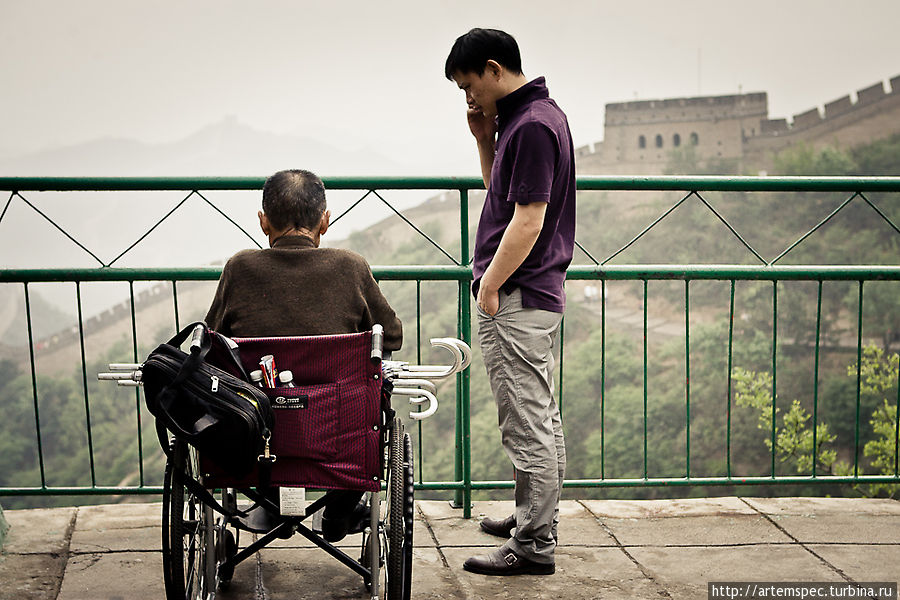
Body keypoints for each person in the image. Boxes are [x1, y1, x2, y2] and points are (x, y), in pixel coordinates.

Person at [205, 168, 402, 542]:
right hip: (337, 439)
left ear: (264, 223)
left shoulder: (239, 268)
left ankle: (267, 499)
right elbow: (390, 336)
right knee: (373, 401)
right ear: (325, 222)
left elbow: (214, 342)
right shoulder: (351, 267)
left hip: (254, 439)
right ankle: (340, 511)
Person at [445, 28, 576, 576]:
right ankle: (533, 518)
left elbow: (528, 218)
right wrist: (483, 140)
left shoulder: (534, 127)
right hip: (529, 292)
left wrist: (491, 285)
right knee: (539, 415)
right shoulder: (528, 120)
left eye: (470, 85)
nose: (468, 97)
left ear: (495, 70)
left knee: (526, 422)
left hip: (519, 295)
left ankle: (533, 545)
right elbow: (504, 196)